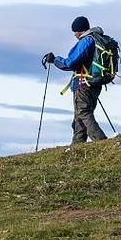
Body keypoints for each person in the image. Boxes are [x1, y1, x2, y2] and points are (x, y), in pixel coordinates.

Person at [42, 16, 107, 144]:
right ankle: (77, 145)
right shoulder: (96, 39)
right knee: (79, 117)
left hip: (83, 83)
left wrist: (55, 60)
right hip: (94, 82)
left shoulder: (86, 41)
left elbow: (71, 63)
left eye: (75, 31)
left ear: (80, 30)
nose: (74, 35)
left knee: (83, 113)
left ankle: (101, 141)